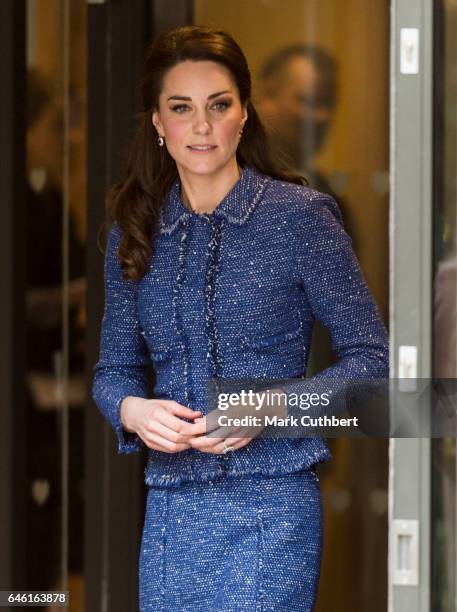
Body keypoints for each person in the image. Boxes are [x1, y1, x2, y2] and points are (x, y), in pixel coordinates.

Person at [91, 25, 389, 611]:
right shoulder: (135, 229)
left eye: (219, 105)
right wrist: (134, 410)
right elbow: (114, 369)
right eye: (182, 108)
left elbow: (372, 366)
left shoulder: (301, 219)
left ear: (244, 114)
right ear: (157, 122)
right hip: (172, 513)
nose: (201, 126)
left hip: (272, 508)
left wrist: (272, 408)